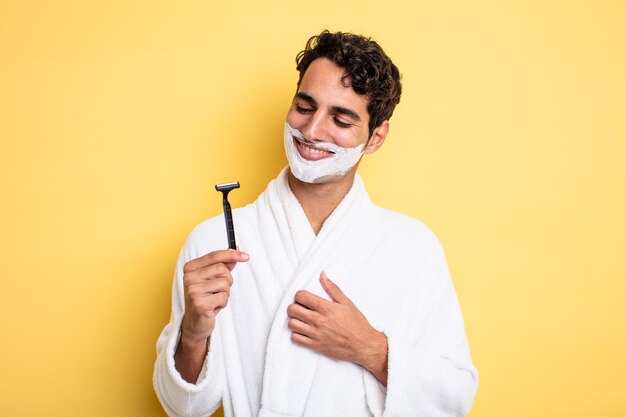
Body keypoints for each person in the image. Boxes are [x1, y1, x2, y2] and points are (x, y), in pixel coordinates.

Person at [153, 30, 478, 417]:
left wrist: (370, 348)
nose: (311, 132)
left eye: (340, 119)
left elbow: (455, 396)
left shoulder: (413, 247)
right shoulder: (215, 242)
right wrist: (193, 333)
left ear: (375, 138)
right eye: (304, 108)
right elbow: (183, 408)